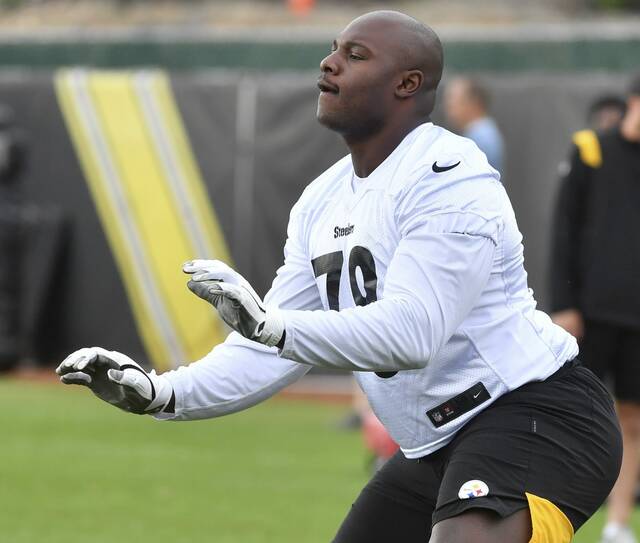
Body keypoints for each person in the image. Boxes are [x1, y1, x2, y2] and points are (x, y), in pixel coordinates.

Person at [57, 11, 621, 543]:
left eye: (355, 55)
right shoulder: (322, 199)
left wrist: (273, 327)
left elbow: (413, 335)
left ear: (407, 83)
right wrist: (162, 392)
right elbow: (269, 348)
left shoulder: (450, 177)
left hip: (536, 415)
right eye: (332, 51)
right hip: (438, 440)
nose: (329, 64)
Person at [550, 74, 640, 543]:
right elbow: (564, 228)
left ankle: (618, 525)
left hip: (637, 318)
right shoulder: (591, 149)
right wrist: (564, 302)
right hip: (588, 313)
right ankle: (551, 522)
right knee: (569, 416)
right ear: (633, 102)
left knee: (632, 420)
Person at [444, 77, 505, 173]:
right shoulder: (482, 132)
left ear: (473, 102)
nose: (447, 106)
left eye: (452, 100)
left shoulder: (480, 138)